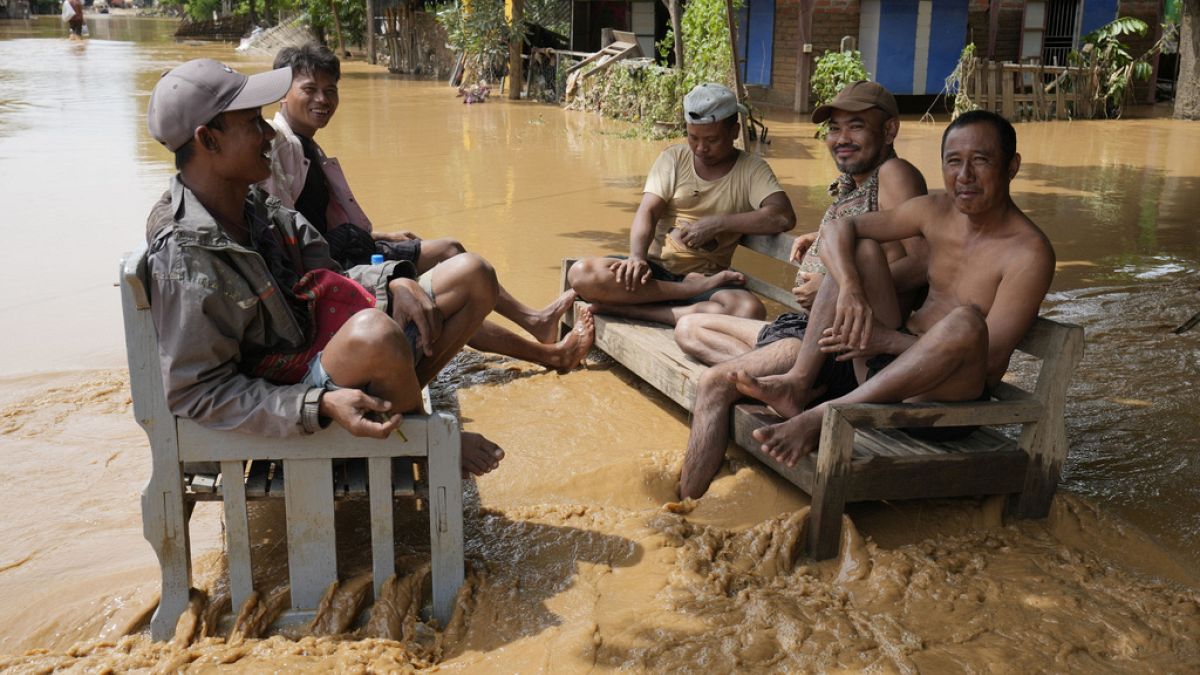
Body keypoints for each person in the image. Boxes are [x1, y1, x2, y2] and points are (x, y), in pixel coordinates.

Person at [144, 59, 504, 477]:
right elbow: (199, 394)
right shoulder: (186, 255)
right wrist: (317, 404)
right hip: (279, 399)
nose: (268, 134)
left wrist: (392, 280)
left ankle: (395, 413)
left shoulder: (252, 205)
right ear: (208, 140)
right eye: (252, 123)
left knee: (473, 275)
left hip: (312, 349)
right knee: (376, 335)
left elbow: (324, 277)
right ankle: (419, 441)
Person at [730, 109, 1054, 476]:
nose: (964, 176)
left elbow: (988, 363)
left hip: (945, 403)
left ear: (1012, 167)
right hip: (883, 368)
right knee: (860, 249)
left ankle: (824, 415)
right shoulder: (935, 210)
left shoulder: (1029, 252)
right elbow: (839, 229)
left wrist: (885, 340)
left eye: (981, 161)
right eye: (954, 162)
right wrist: (851, 288)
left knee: (965, 321)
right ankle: (799, 382)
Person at [263, 43, 593, 373]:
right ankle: (550, 353)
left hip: (346, 246)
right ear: (281, 92)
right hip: (331, 267)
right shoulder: (280, 141)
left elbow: (313, 222)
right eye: (309, 89)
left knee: (450, 249)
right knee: (459, 285)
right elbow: (286, 231)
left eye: (330, 90)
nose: (322, 99)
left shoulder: (307, 144)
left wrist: (382, 235)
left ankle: (535, 321)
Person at [676, 81, 928, 498]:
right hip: (805, 330)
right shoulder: (857, 183)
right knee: (689, 329)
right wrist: (822, 236)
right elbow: (876, 229)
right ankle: (789, 384)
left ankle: (683, 505)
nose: (841, 139)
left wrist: (846, 287)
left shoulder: (895, 173)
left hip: (838, 343)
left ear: (889, 131)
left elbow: (921, 263)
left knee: (715, 384)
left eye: (856, 127)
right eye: (834, 129)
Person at [567, 82, 797, 325]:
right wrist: (637, 258)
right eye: (693, 137)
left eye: (711, 139)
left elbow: (783, 216)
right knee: (582, 274)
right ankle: (683, 297)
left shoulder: (752, 169)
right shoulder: (673, 158)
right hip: (655, 275)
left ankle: (634, 311)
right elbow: (648, 210)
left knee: (748, 311)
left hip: (708, 279)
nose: (700, 148)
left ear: (734, 131)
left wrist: (718, 224)